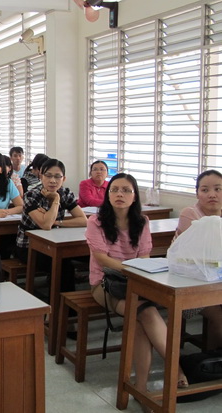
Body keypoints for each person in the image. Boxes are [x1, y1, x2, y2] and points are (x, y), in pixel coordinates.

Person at [85, 173, 189, 400]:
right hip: (104, 285)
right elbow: (102, 258)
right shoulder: (96, 221)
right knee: (144, 311)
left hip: (135, 283)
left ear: (134, 197)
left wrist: (137, 272)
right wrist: (133, 270)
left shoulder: (142, 222)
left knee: (141, 314)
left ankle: (141, 386)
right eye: (114, 190)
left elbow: (145, 256)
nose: (119, 194)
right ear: (108, 194)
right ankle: (175, 369)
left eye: (126, 190)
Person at [15, 159, 87, 295]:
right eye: (48, 176)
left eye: (57, 176)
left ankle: (68, 305)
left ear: (64, 178)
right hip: (28, 247)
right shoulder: (31, 195)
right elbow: (46, 225)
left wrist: (58, 223)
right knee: (63, 264)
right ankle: (58, 308)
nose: (53, 180)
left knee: (81, 257)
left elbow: (83, 220)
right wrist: (56, 200)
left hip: (54, 243)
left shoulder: (66, 193)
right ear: (41, 177)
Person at [174, 169, 222, 349]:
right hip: (191, 284)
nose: (212, 195)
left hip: (217, 282)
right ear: (197, 193)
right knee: (219, 317)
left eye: (218, 189)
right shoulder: (190, 214)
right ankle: (211, 364)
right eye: (205, 190)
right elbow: (203, 255)